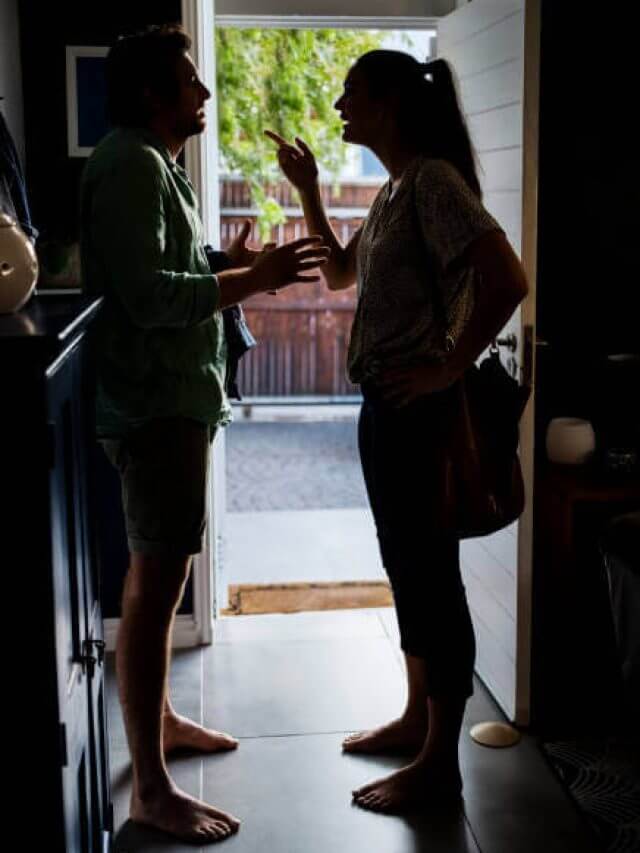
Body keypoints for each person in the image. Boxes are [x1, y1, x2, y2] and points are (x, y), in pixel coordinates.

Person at [80, 24, 329, 844]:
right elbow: (151, 297)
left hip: (172, 401)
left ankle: (163, 723)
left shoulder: (156, 167)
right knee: (156, 592)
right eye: (190, 79)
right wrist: (248, 279)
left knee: (159, 584)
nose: (204, 91)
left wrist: (226, 258)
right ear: (153, 93)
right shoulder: (128, 165)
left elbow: (169, 266)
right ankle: (152, 788)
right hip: (155, 408)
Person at [266, 50, 528, 814]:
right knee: (408, 571)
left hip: (421, 415)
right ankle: (418, 720)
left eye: (351, 94)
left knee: (432, 580)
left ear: (386, 103)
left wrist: (450, 367)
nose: (340, 105)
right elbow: (342, 275)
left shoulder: (436, 182)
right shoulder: (397, 187)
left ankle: (439, 765)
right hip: (385, 411)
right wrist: (310, 193)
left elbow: (508, 279)